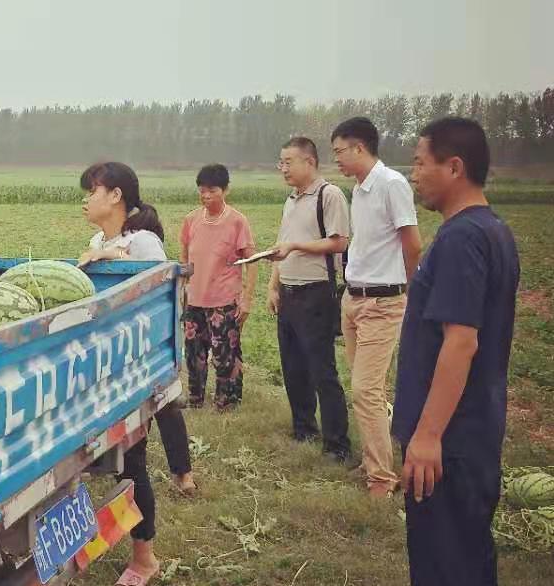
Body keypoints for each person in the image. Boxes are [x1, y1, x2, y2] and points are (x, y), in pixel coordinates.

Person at [381, 118, 518, 586]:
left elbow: (460, 342)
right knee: (472, 547)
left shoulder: (461, 239)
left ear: (454, 167)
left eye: (420, 161)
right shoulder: (493, 230)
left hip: (451, 435)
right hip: (478, 426)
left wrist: (427, 433)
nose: (414, 174)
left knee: (446, 555)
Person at [79, 161, 198, 586]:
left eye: (92, 191)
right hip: (105, 368)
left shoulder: (143, 240)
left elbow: (159, 287)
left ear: (115, 196)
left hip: (138, 368)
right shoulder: (97, 240)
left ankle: (145, 558)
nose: (85, 200)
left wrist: (110, 256)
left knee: (132, 462)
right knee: (107, 462)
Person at [331, 117, 422, 499]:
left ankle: (382, 479)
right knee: (368, 388)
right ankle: (376, 460)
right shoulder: (359, 188)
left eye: (339, 151)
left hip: (382, 302)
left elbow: (412, 244)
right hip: (354, 299)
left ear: (359, 147)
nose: (336, 158)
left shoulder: (391, 184)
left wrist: (413, 294)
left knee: (365, 390)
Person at [267, 138, 352, 461]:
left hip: (315, 293)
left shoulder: (329, 195)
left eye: (288, 162)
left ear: (310, 162)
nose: (283, 169)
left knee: (322, 370)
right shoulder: (291, 200)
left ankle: (336, 444)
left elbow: (339, 242)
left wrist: (296, 247)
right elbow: (282, 244)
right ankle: (303, 429)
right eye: (281, 162)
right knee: (293, 367)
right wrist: (273, 286)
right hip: (289, 291)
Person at [178, 164, 257, 411]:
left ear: (225, 190)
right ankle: (195, 400)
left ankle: (227, 402)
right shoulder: (191, 220)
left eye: (212, 190)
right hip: (194, 299)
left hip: (224, 300)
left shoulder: (237, 222)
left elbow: (251, 262)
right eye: (202, 190)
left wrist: (246, 298)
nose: (206, 196)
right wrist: (183, 289)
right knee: (194, 355)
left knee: (225, 355)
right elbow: (184, 258)